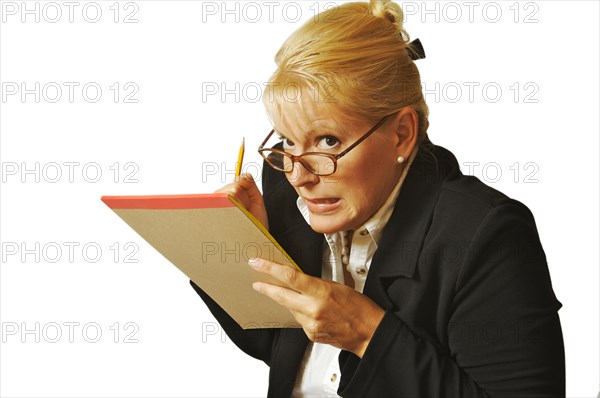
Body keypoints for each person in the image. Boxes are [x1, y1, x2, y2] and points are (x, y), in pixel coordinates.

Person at [190, 0, 565, 396]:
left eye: (328, 141)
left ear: (401, 134)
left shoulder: (486, 233)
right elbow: (283, 351)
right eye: (287, 141)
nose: (299, 175)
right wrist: (242, 252)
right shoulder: (287, 181)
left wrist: (368, 333)